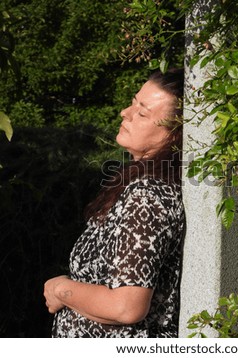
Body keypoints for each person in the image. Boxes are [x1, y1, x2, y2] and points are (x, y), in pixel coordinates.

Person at [43, 68, 185, 338]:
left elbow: (126, 305)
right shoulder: (144, 184)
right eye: (133, 103)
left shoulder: (147, 197)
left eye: (142, 113)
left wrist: (61, 290)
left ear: (174, 136)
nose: (125, 113)